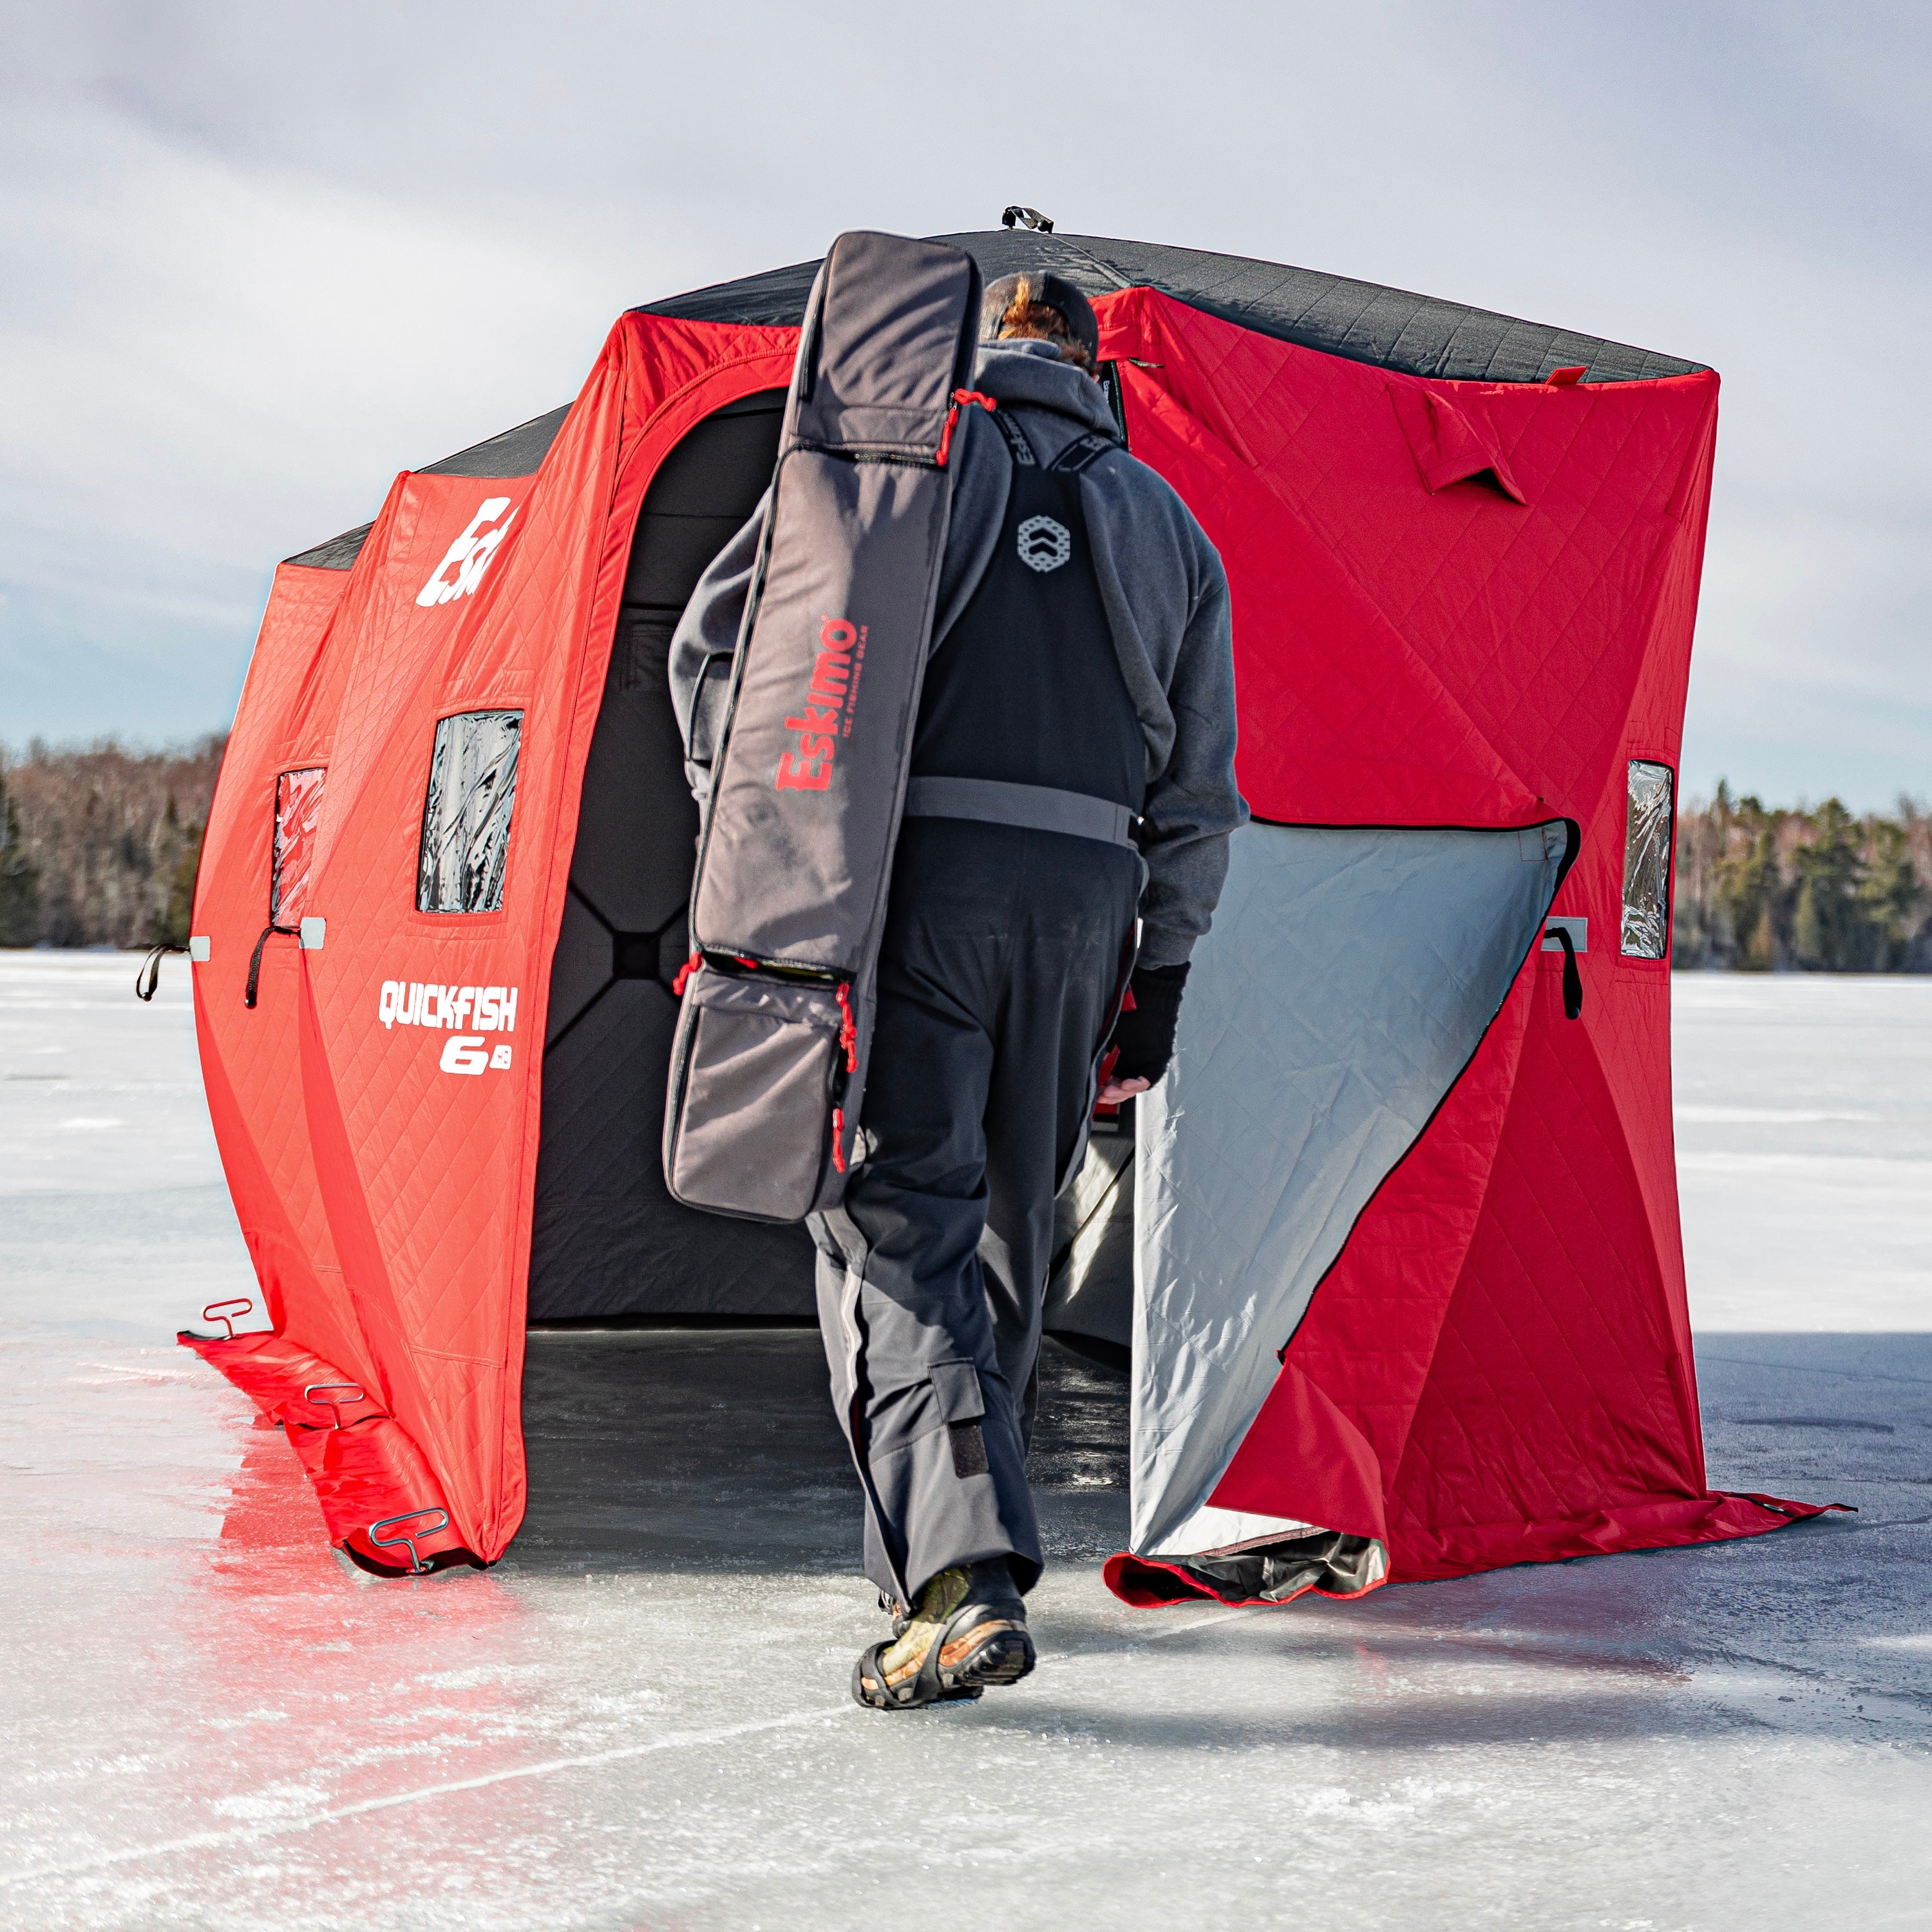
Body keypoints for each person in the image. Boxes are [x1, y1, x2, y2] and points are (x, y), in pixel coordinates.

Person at [670, 268, 1243, 1709]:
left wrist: (764, 829)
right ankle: (937, 1553)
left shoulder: (899, 468)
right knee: (1004, 1230)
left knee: (889, 1225)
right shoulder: (1172, 529)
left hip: (912, 880)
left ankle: (958, 1580)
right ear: (1099, 369)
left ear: (982, 356)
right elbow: (1202, 793)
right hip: (1088, 909)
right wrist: (1158, 970)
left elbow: (719, 650)